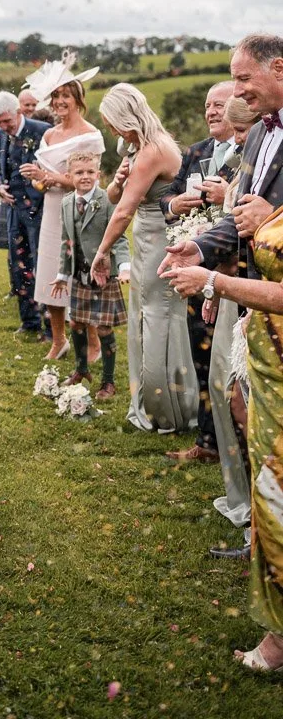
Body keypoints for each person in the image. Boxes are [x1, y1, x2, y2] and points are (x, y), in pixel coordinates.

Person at [164, 219, 283, 672]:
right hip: (271, 371)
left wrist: (216, 282)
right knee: (272, 500)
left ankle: (279, 638)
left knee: (278, 501)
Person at [94, 83, 198, 433]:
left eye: (112, 122)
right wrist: (119, 177)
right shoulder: (137, 147)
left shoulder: (154, 150)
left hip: (161, 243)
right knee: (145, 318)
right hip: (146, 241)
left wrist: (102, 251)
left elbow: (123, 212)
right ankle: (152, 401)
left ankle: (167, 409)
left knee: (159, 319)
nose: (111, 130)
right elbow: (113, 196)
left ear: (127, 116)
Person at [155, 81, 236, 463]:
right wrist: (176, 204)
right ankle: (207, 443)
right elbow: (164, 198)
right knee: (200, 354)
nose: (211, 112)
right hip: (193, 267)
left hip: (232, 270)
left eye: (219, 105)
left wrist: (227, 198)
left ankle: (234, 441)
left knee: (230, 360)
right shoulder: (196, 151)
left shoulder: (248, 153)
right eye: (207, 105)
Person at [19, 53, 103, 360]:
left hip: (80, 212)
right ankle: (59, 340)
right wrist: (37, 180)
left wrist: (48, 176)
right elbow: (45, 184)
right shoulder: (49, 134)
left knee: (80, 278)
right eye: (55, 96)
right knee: (50, 276)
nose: (59, 102)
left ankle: (93, 342)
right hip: (53, 212)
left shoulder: (90, 136)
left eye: (65, 96)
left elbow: (87, 183)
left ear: (78, 99)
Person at [206, 94, 258, 558]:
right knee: (230, 394)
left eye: (243, 132)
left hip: (255, 294)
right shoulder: (252, 155)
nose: (241, 142)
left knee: (246, 404)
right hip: (232, 286)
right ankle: (252, 517)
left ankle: (260, 524)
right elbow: (231, 228)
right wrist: (211, 283)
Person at [52, 150, 130, 398]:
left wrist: (124, 266)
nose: (85, 176)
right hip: (79, 276)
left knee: (104, 329)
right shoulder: (66, 202)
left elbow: (119, 237)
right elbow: (67, 242)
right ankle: (81, 369)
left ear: (98, 174)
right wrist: (63, 275)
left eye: (89, 172)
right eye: (79, 172)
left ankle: (108, 381)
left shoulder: (107, 199)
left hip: (103, 275)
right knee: (76, 322)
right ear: (69, 175)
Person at [0, 91, 52, 338]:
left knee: (41, 266)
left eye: (7, 121)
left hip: (40, 209)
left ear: (18, 112)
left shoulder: (43, 130)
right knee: (19, 265)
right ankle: (29, 322)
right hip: (14, 208)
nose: (4, 127)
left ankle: (50, 326)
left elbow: (55, 166)